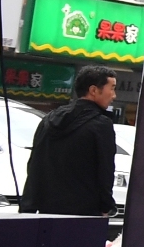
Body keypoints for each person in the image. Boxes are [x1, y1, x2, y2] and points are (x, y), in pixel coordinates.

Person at [20, 67, 119, 218]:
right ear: (93, 90)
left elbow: (35, 165)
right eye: (111, 88)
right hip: (85, 213)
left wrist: (28, 208)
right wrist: (107, 206)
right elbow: (105, 170)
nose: (114, 95)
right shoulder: (101, 124)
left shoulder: (48, 119)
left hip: (47, 212)